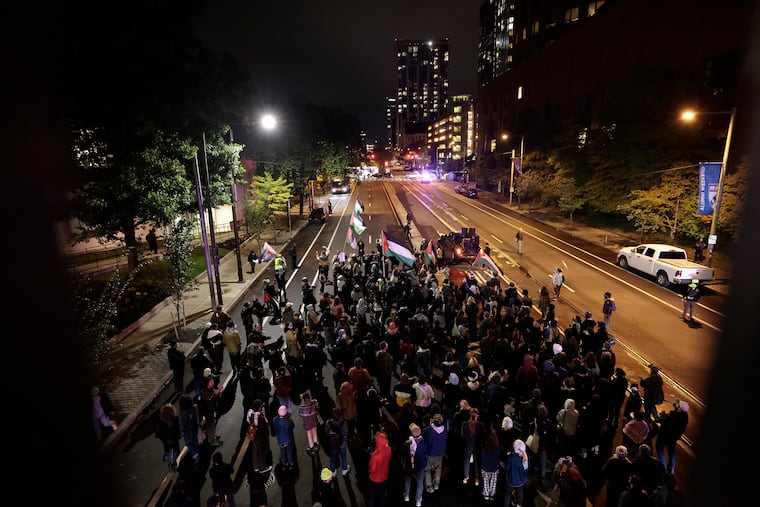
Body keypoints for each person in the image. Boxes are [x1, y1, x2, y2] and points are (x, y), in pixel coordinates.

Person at [655, 398, 689, 474]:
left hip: (665, 435)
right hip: (674, 437)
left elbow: (667, 423)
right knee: (671, 451)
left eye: (678, 404)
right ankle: (671, 468)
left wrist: (662, 419)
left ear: (680, 408)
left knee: (659, 448)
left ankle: (664, 468)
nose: (676, 404)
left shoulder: (676, 416)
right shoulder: (684, 416)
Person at [403, 423, 428, 507]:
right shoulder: (424, 443)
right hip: (420, 465)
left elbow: (404, 454)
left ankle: (406, 496)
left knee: (407, 479)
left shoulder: (407, 444)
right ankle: (418, 501)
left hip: (410, 465)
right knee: (420, 482)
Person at [366, 431, 392, 507]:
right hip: (384, 476)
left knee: (371, 496)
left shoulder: (375, 456)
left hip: (374, 479)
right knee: (382, 494)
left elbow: (372, 469)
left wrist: (369, 471)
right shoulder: (389, 449)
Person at [423, 412, 448, 493]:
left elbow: (425, 436)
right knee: (438, 469)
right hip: (439, 453)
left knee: (427, 470)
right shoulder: (444, 430)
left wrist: (431, 424)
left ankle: (429, 486)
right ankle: (436, 484)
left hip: (429, 453)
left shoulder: (428, 430)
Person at [503, 439, 529, 507]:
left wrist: (507, 457)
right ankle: (519, 504)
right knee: (520, 493)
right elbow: (526, 470)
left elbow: (507, 468)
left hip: (511, 481)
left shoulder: (510, 458)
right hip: (521, 481)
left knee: (507, 494)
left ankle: (506, 505)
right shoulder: (525, 458)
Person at [155, 402, 181, 471]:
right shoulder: (161, 421)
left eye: (171, 411)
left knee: (177, 451)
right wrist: (163, 438)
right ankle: (172, 464)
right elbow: (158, 433)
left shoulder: (175, 419)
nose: (170, 414)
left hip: (174, 438)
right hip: (167, 440)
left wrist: (179, 434)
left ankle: (171, 460)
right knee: (170, 453)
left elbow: (178, 428)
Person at [325, 407, 350, 477]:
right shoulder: (344, 423)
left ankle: (333, 471)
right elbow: (346, 434)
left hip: (333, 443)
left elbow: (326, 432)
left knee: (333, 457)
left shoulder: (328, 423)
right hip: (342, 443)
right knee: (343, 457)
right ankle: (344, 469)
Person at [480, 427, 501, 501]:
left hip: (485, 466)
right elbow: (499, 455)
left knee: (485, 481)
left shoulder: (483, 445)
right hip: (494, 467)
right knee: (493, 482)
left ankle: (486, 494)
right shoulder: (497, 446)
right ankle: (492, 495)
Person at [297, 391, 321, 456]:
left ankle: (311, 448)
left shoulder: (302, 407)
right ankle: (316, 445)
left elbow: (300, 414)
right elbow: (317, 406)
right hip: (314, 420)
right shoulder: (314, 403)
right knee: (314, 432)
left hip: (307, 423)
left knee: (309, 435)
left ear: (303, 399)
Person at [272, 404, 296, 470]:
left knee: (282, 452)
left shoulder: (275, 420)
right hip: (288, 439)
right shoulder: (288, 421)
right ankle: (290, 463)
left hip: (280, 440)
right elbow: (292, 426)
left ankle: (283, 464)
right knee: (289, 451)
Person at [178, 394, 200, 461]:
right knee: (195, 438)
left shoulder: (181, 413)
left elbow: (181, 423)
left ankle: (195, 454)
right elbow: (197, 417)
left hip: (186, 429)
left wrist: (181, 431)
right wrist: (198, 424)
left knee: (189, 443)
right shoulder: (194, 407)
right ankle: (197, 448)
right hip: (194, 426)